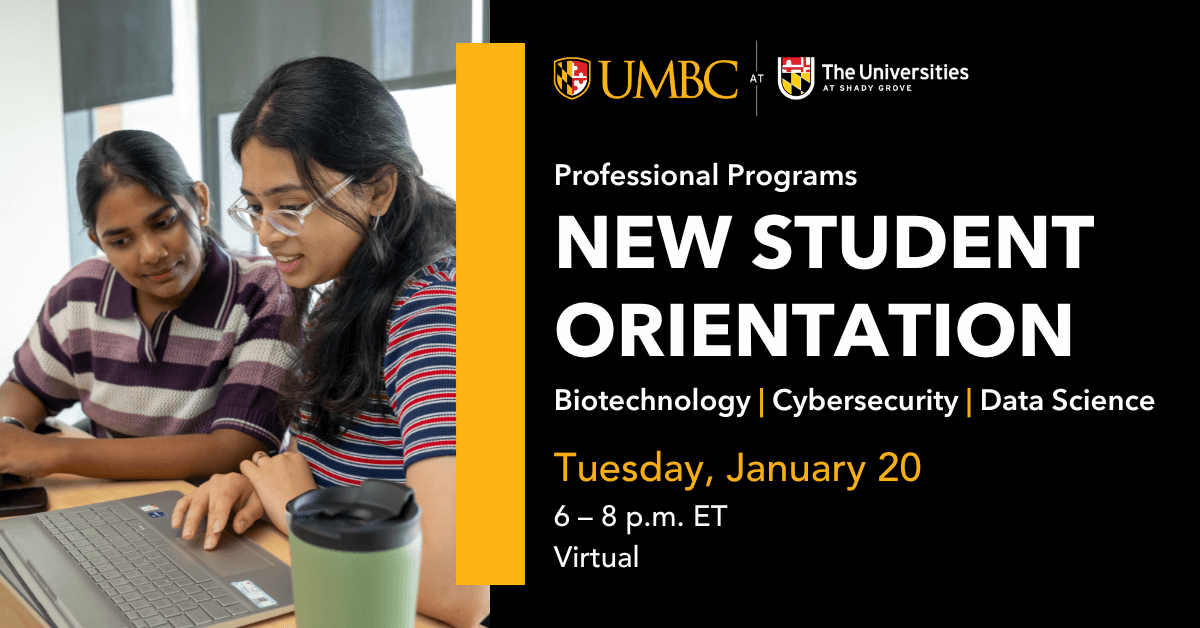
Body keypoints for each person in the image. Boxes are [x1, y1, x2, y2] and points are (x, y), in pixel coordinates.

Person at [171, 57, 488, 627]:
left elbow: (461, 589)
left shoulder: (437, 313)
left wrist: (299, 511)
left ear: (379, 188)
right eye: (256, 207)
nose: (266, 234)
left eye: (291, 206)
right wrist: (254, 488)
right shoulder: (345, 288)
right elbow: (331, 464)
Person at [0, 130, 293, 479]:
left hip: (212, 506)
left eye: (164, 222)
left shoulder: (266, 291)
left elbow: (236, 449)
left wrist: (53, 453)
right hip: (112, 499)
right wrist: (10, 433)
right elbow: (27, 387)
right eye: (121, 241)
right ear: (98, 241)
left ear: (201, 203)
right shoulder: (80, 293)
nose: (152, 253)